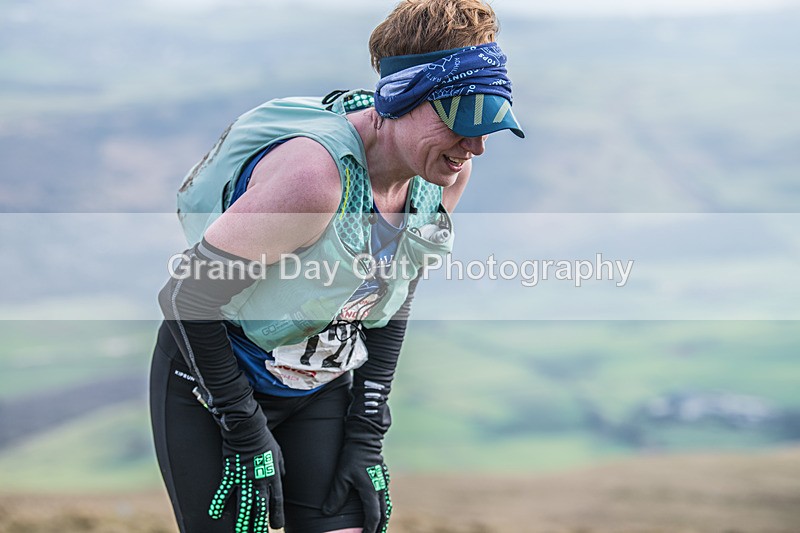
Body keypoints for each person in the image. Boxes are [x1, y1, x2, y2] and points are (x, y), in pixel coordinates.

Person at [149, 0, 524, 532]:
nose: (477, 147)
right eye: (463, 122)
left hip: (318, 381)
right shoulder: (314, 181)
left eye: (490, 124)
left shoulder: (440, 173)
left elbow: (392, 294)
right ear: (401, 99)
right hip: (214, 382)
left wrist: (368, 428)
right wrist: (243, 427)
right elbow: (186, 297)